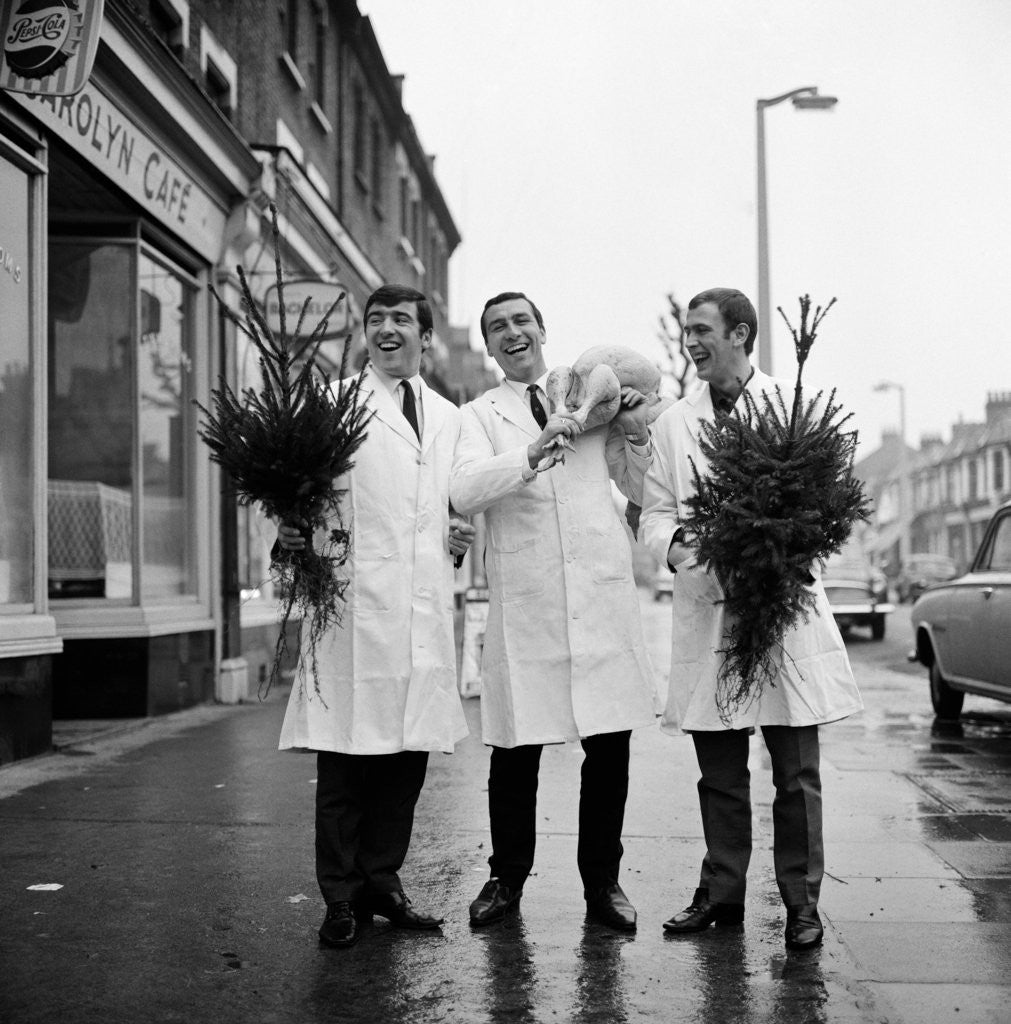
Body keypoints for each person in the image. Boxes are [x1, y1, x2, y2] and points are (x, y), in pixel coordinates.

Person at [639, 287, 863, 950]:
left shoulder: (794, 406)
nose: (691, 343)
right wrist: (686, 549)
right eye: (687, 332)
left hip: (782, 612)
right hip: (710, 609)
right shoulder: (673, 423)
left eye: (702, 330)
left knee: (795, 774)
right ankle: (722, 893)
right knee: (719, 773)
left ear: (740, 334)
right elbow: (654, 514)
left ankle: (801, 903)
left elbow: (830, 508)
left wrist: (779, 553)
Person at [450, 291, 658, 933]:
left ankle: (603, 883)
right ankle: (506, 878)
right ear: (489, 346)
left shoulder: (591, 395)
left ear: (542, 330)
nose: (512, 333)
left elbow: (642, 489)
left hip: (598, 595)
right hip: (529, 602)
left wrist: (632, 428)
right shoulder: (478, 416)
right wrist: (530, 454)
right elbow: (464, 489)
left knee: (609, 748)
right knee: (515, 750)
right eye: (498, 327)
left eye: (522, 321)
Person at [276, 284, 476, 949]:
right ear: (365, 333)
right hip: (352, 606)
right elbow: (297, 491)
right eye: (376, 319)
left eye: (401, 320)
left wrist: (454, 535)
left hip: (420, 609)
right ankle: (339, 898)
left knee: (404, 761)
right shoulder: (334, 402)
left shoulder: (448, 416)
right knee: (345, 761)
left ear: (426, 336)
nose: (387, 329)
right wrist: (291, 526)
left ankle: (382, 882)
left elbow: (447, 502)